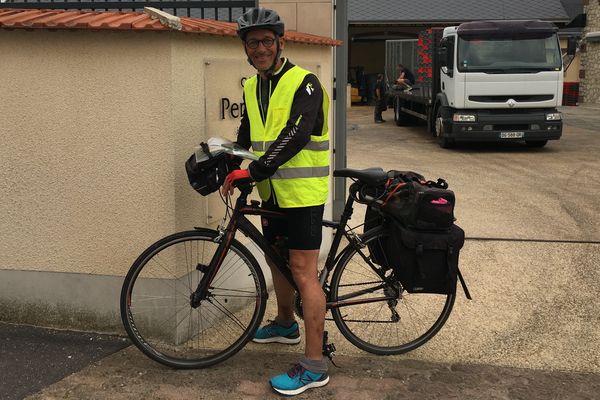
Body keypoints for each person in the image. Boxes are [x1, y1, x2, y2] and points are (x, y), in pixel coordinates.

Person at [221, 7, 330, 396]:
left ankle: (315, 365)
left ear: (280, 43)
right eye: (254, 43)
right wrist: (229, 161)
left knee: (303, 271)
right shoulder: (253, 86)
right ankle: (285, 323)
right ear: (246, 50)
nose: (261, 48)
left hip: (301, 194)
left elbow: (297, 134)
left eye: (268, 41)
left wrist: (255, 170)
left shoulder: (306, 83)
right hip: (272, 193)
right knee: (275, 258)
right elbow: (248, 134)